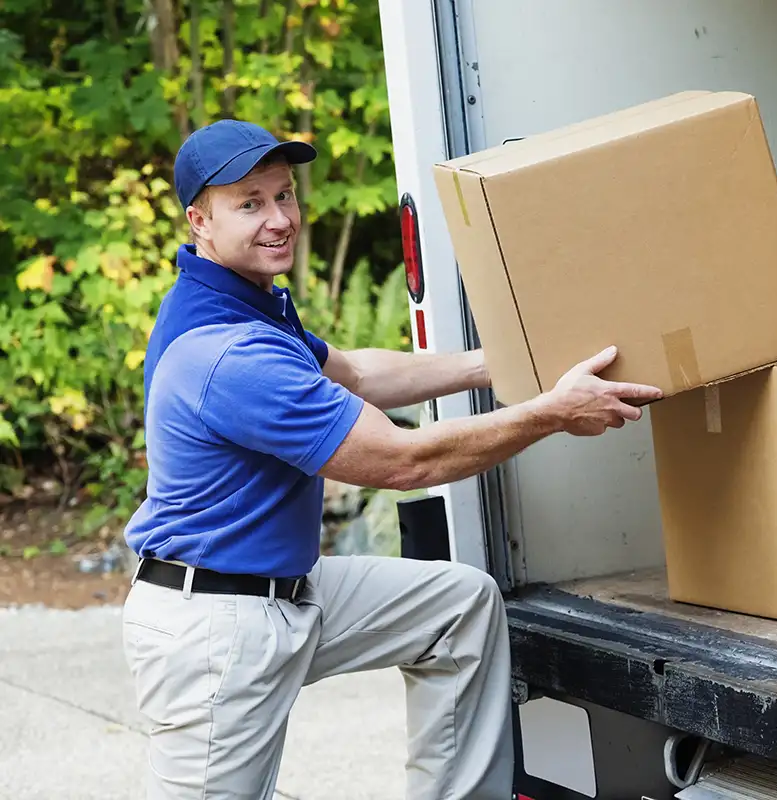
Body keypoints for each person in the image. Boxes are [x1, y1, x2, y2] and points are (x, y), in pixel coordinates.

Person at [120, 118, 663, 800]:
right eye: (250, 203)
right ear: (200, 219)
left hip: (286, 591)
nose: (280, 218)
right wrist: (552, 412)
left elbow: (359, 375)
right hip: (215, 629)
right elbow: (406, 463)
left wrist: (496, 366)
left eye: (284, 196)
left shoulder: (241, 304)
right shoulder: (229, 356)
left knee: (457, 607)